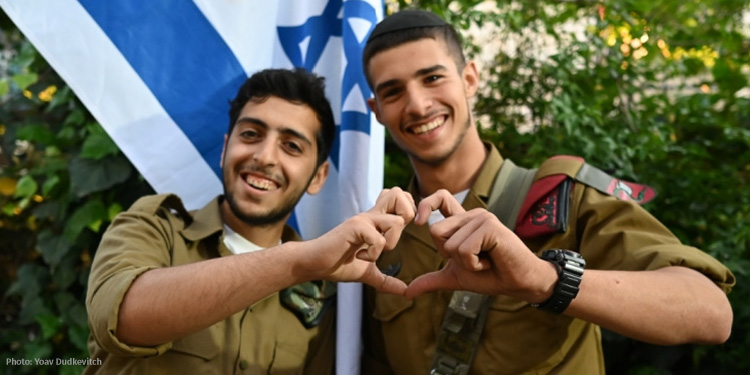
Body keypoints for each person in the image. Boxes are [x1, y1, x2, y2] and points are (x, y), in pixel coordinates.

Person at [360, 9, 735, 375]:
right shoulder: (383, 239)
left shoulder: (561, 198)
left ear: (470, 78)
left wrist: (545, 280)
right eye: (393, 92)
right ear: (376, 110)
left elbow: (710, 313)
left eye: (433, 78)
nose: (418, 105)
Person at [84, 68, 409, 375]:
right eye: (251, 134)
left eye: (291, 146)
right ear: (226, 149)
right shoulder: (153, 226)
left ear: (318, 176)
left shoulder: (320, 291)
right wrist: (296, 262)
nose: (265, 156)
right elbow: (119, 318)